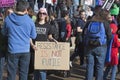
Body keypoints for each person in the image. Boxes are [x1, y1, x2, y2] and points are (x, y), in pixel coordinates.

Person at [1, 1, 37, 80]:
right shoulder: (30, 21)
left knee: (11, 74)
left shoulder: (8, 19)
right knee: (23, 74)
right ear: (26, 10)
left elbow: (3, 33)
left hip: (12, 50)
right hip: (25, 50)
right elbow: (34, 36)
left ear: (16, 7)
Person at [83, 7, 112, 80]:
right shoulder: (105, 23)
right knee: (100, 66)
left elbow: (84, 33)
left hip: (89, 45)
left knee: (89, 66)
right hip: (101, 46)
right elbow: (110, 36)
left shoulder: (89, 22)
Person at [33, 7, 57, 80]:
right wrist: (32, 45)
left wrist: (53, 40)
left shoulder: (48, 26)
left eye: (44, 13)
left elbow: (49, 37)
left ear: (46, 15)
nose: (42, 15)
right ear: (38, 14)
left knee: (42, 70)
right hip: (34, 49)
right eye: (40, 13)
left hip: (43, 50)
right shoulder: (34, 24)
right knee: (36, 69)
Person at [103, 14, 120, 80]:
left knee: (109, 66)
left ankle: (104, 77)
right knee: (114, 68)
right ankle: (112, 78)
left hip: (108, 53)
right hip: (114, 54)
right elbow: (118, 45)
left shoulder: (107, 35)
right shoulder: (115, 36)